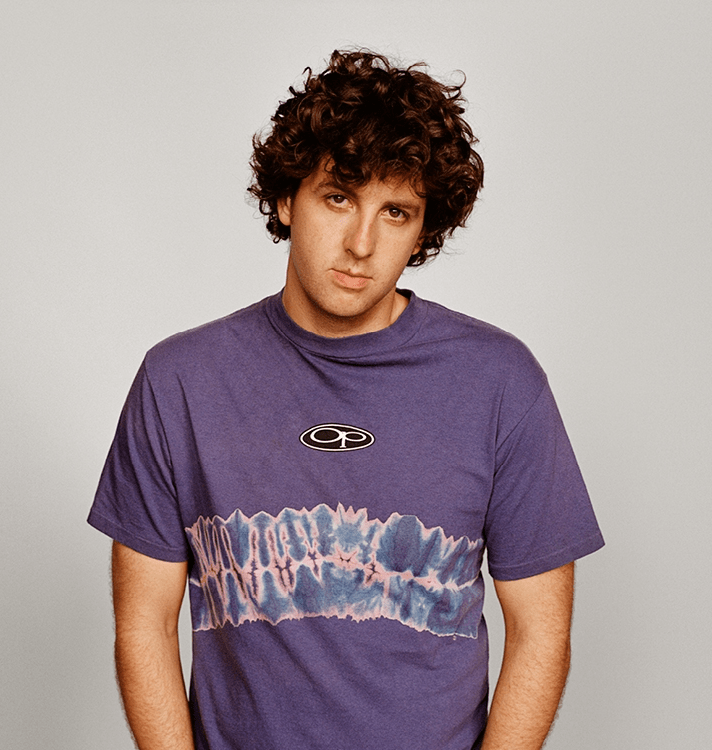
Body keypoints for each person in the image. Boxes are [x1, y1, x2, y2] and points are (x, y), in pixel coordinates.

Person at [89, 49, 604, 750]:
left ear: (423, 231)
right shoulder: (178, 381)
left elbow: (542, 631)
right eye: (338, 198)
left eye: (396, 212)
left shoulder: (501, 382)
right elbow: (142, 625)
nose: (362, 243)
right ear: (286, 198)